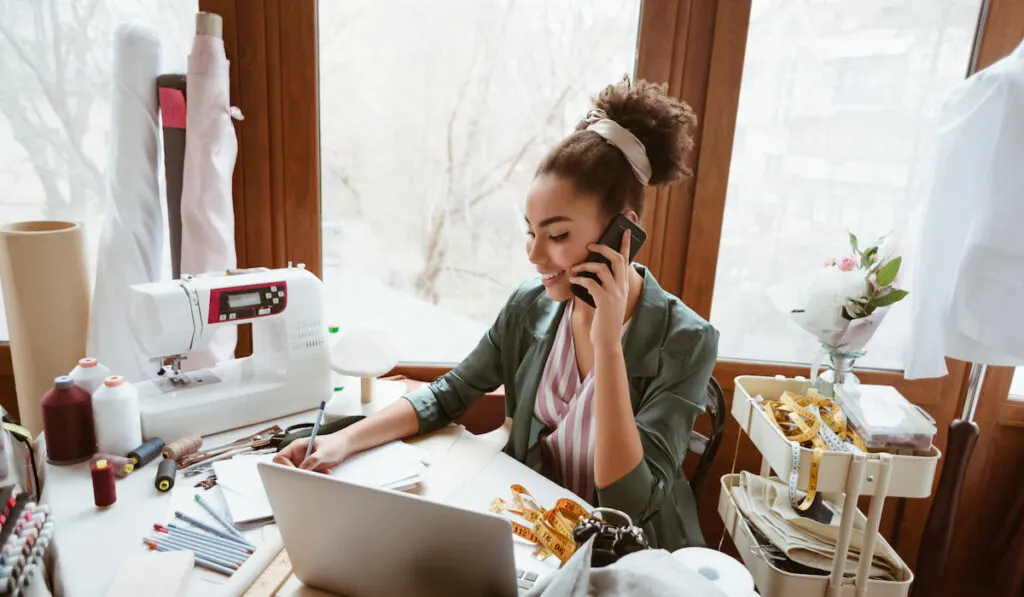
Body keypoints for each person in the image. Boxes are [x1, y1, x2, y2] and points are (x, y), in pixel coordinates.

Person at [275, 76, 720, 550]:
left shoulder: (688, 340)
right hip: (541, 538)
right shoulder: (529, 306)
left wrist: (608, 346)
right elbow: (449, 394)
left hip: (633, 557)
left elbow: (628, 504)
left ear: (622, 232)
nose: (534, 254)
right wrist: (341, 443)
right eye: (530, 231)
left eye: (558, 235)